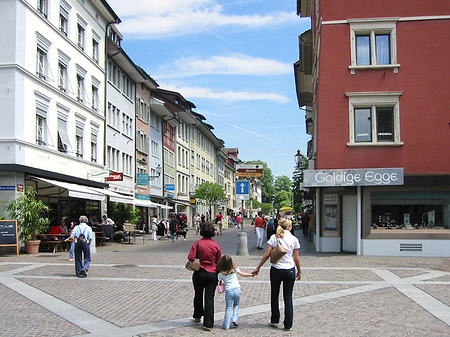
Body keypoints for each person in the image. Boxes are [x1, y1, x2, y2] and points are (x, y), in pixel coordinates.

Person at [252, 219, 301, 331]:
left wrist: (258, 267)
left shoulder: (275, 238)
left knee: (274, 294)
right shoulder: (294, 239)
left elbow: (267, 254)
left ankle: (275, 319)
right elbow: (296, 258)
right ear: (289, 226)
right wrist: (299, 271)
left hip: (276, 270)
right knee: (288, 297)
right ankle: (288, 324)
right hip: (289, 270)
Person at [187, 223, 222, 331]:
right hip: (212, 274)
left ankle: (197, 314)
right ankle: (208, 324)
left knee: (198, 294)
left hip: (199, 273)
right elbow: (219, 261)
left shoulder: (197, 243)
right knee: (209, 298)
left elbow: (191, 257)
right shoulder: (216, 246)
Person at [217, 255, 254, 329]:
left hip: (229, 290)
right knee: (236, 305)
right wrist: (251, 274)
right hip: (237, 289)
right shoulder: (234, 269)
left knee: (228, 308)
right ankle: (235, 319)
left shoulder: (220, 274)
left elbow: (220, 283)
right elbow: (243, 274)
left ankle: (226, 325)